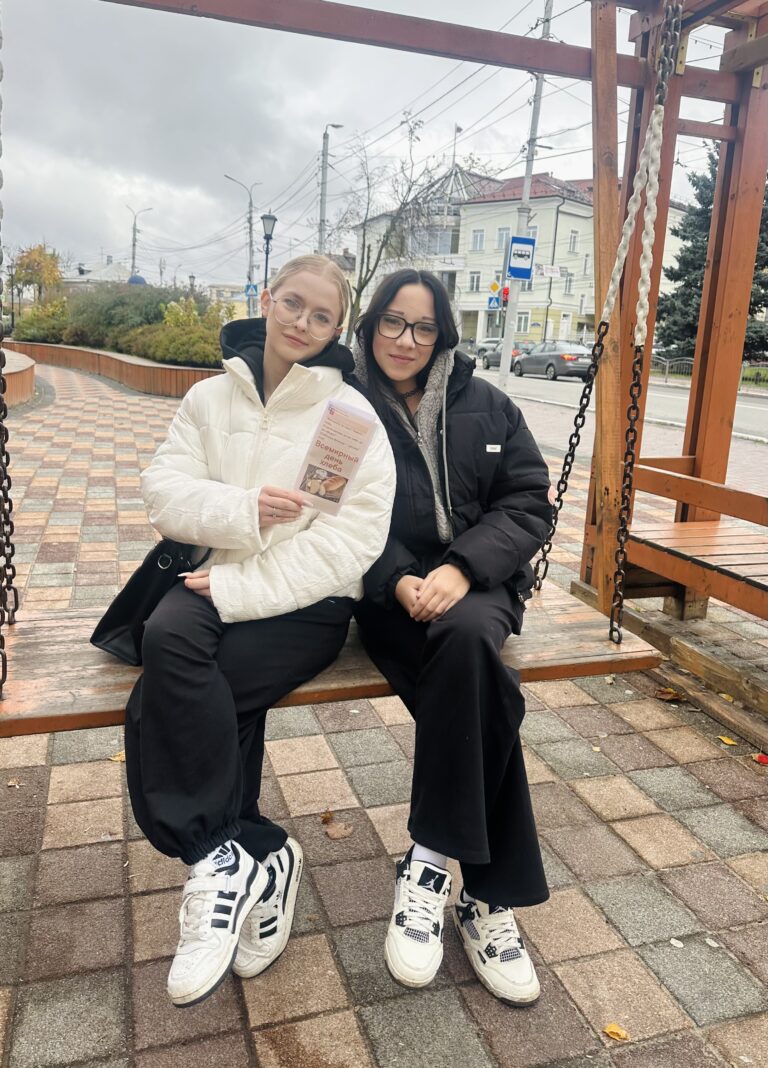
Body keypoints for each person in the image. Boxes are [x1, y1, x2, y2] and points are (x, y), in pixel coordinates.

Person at [124, 254, 395, 1008]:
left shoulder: (347, 419)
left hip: (305, 602)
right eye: (292, 304)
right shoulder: (209, 396)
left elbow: (348, 542)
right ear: (267, 299)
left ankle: (242, 857)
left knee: (163, 701)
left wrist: (242, 584)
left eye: (322, 316)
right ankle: (237, 858)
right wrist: (242, 512)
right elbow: (163, 491)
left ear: (338, 329)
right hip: (209, 577)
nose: (302, 323)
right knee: (167, 640)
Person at [351, 269, 552, 1006]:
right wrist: (396, 578)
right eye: (393, 322)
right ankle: (487, 898)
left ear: (444, 334)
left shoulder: (486, 404)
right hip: (390, 592)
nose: (405, 340)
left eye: (423, 326)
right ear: (371, 324)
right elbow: (327, 509)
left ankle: (431, 859)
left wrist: (465, 566)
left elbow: (528, 501)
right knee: (483, 694)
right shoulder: (343, 406)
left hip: (479, 583)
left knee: (468, 642)